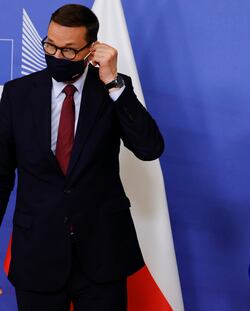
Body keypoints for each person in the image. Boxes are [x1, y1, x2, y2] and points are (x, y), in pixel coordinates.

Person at [0, 4, 164, 311]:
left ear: (91, 50)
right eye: (50, 45)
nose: (56, 56)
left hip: (102, 255)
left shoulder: (113, 89)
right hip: (38, 255)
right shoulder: (17, 94)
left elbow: (149, 148)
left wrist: (114, 83)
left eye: (68, 50)